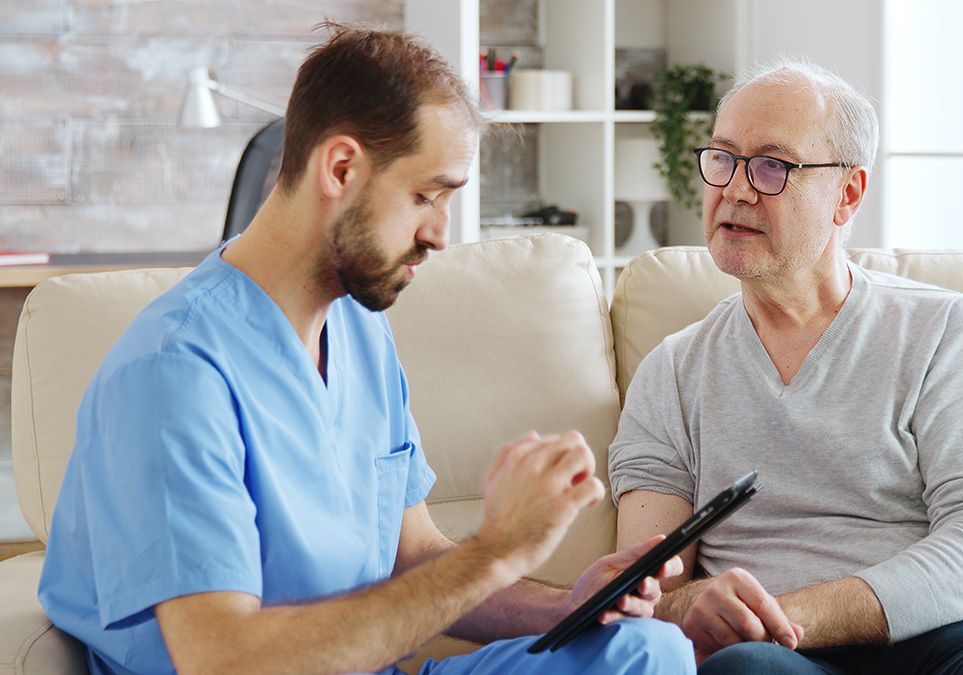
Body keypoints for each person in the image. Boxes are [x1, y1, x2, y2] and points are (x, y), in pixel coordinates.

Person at [38, 26, 695, 675]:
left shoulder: (357, 327)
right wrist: (497, 550)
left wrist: (568, 603)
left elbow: (412, 555)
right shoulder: (174, 372)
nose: (440, 234)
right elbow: (222, 657)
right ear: (342, 168)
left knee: (648, 650)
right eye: (425, 196)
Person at [608, 59, 963, 675]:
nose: (735, 189)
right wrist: (689, 607)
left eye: (773, 165)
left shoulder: (944, 329)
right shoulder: (672, 372)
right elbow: (643, 590)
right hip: (781, 662)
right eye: (723, 157)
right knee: (745, 673)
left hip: (952, 641)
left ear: (847, 194)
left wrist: (794, 615)